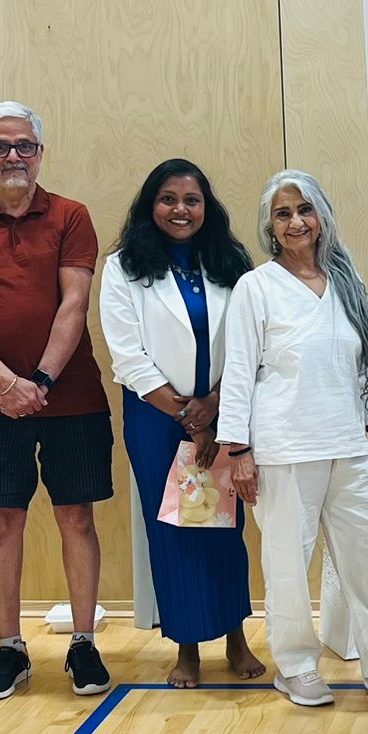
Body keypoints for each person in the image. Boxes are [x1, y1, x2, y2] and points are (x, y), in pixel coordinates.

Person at [0, 100, 113, 701]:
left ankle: (83, 644)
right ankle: (10, 648)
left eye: (25, 147)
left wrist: (39, 380)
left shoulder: (71, 216)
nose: (14, 157)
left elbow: (73, 304)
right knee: (2, 522)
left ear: (40, 152)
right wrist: (8, 384)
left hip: (73, 397)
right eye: (2, 147)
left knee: (76, 517)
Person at [217, 170, 368, 706]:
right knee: (288, 565)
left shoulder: (349, 283)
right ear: (270, 227)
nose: (296, 222)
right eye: (283, 213)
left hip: (347, 444)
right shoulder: (257, 287)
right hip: (282, 448)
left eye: (304, 210)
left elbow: (366, 362)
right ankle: (296, 665)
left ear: (320, 217)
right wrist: (239, 451)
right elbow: (239, 372)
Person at [98, 158, 263, 688]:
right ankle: (187, 647)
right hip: (157, 420)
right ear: (152, 205)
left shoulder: (231, 264)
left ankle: (235, 637)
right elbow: (126, 354)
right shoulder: (124, 267)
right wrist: (188, 416)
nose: (180, 210)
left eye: (192, 200)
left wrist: (216, 407)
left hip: (225, 413)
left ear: (206, 207)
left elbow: (249, 345)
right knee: (172, 529)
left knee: (225, 528)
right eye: (169, 199)